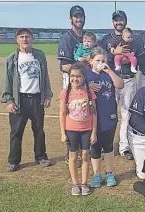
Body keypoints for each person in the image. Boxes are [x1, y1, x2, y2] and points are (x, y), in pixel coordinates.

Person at [0, 28, 53, 172]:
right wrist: (9, 100)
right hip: (19, 100)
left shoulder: (39, 56)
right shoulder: (12, 58)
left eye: (27, 36)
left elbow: (45, 77)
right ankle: (14, 161)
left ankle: (41, 156)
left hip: (36, 99)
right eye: (22, 37)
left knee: (39, 130)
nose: (25, 39)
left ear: (32, 38)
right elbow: (7, 80)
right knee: (16, 132)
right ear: (17, 39)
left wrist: (47, 95)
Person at [100, 10, 135, 161]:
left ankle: (124, 146)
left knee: (127, 114)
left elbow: (137, 55)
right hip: (110, 80)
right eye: (116, 20)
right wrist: (115, 52)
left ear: (125, 21)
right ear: (113, 22)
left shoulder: (132, 37)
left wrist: (129, 59)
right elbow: (100, 57)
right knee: (108, 113)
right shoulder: (106, 39)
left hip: (129, 79)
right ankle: (105, 145)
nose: (118, 22)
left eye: (121, 20)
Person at [86, 47, 124, 188]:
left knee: (108, 146)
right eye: (97, 60)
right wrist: (88, 86)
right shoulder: (87, 75)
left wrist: (109, 71)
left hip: (109, 115)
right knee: (95, 147)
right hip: (93, 117)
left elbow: (120, 84)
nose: (100, 63)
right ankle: (96, 174)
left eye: (103, 60)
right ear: (91, 61)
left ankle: (109, 173)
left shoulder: (109, 73)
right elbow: (76, 88)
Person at [59, 63, 97, 196]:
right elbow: (62, 114)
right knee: (73, 156)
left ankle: (84, 183)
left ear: (84, 77)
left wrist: (93, 132)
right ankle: (75, 183)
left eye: (78, 76)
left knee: (86, 156)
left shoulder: (89, 92)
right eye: (72, 76)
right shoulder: (66, 92)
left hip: (86, 129)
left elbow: (93, 114)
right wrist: (63, 133)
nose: (75, 79)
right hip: (71, 129)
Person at [57, 5, 86, 166]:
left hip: (84, 81)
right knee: (71, 114)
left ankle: (83, 150)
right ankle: (71, 151)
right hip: (71, 81)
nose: (78, 19)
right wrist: (80, 70)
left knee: (84, 112)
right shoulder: (66, 38)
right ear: (71, 19)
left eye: (81, 16)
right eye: (76, 16)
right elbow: (64, 65)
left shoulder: (87, 37)